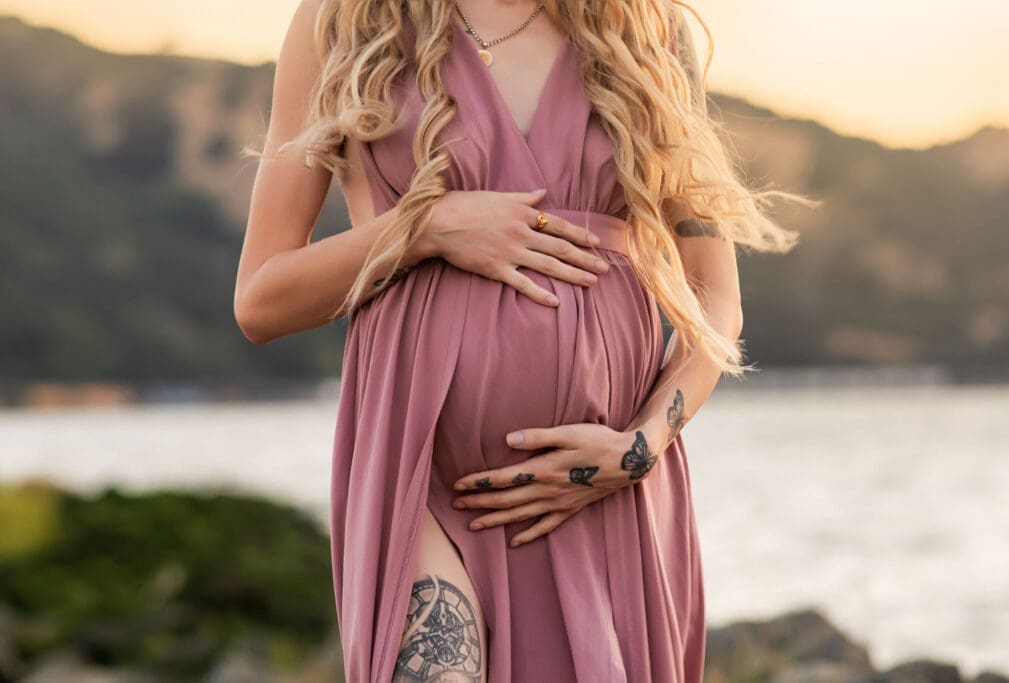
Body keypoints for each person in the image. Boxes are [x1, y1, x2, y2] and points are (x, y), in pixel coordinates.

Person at [235, 0, 812, 680]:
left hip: (597, 488)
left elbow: (716, 299)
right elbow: (261, 298)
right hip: (422, 475)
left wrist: (639, 445)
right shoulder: (346, 19)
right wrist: (425, 226)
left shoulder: (645, 28)